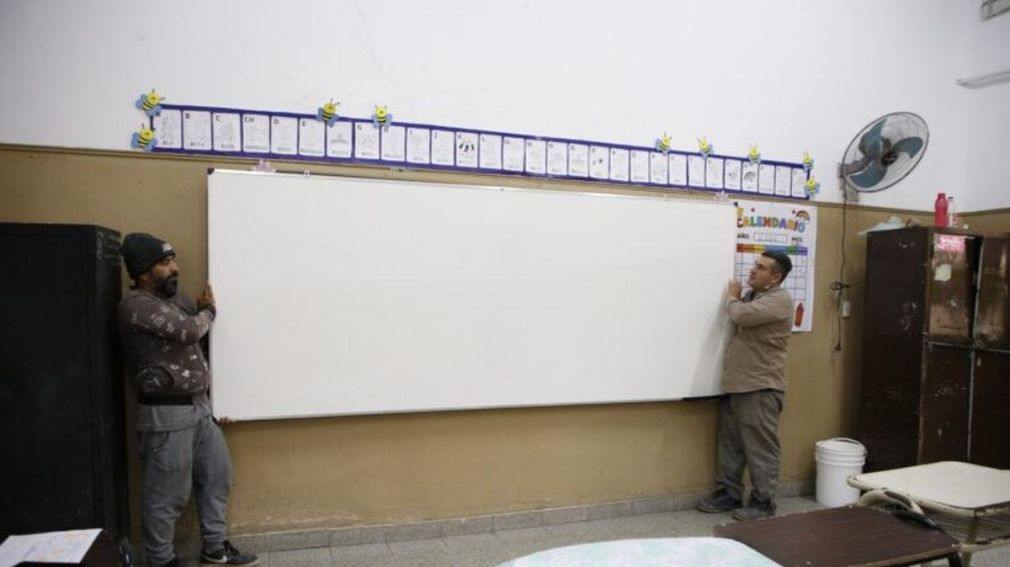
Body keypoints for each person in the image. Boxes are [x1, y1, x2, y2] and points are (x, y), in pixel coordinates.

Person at [118, 233, 258, 567]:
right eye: (165, 263)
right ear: (143, 272)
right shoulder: (136, 306)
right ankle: (161, 560)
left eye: (173, 260)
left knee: (217, 476)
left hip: (199, 408)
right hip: (166, 415)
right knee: (167, 495)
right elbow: (190, 331)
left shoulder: (177, 301)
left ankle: (214, 548)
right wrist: (208, 310)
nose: (175, 268)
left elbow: (199, 343)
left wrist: (225, 399)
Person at [696, 251, 794, 521]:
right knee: (731, 445)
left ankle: (764, 502)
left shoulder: (779, 300)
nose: (753, 270)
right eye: (755, 265)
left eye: (761, 268)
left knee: (760, 448)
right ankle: (729, 494)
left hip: (760, 386)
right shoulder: (753, 296)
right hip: (737, 384)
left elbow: (742, 315)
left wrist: (731, 298)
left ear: (776, 277)